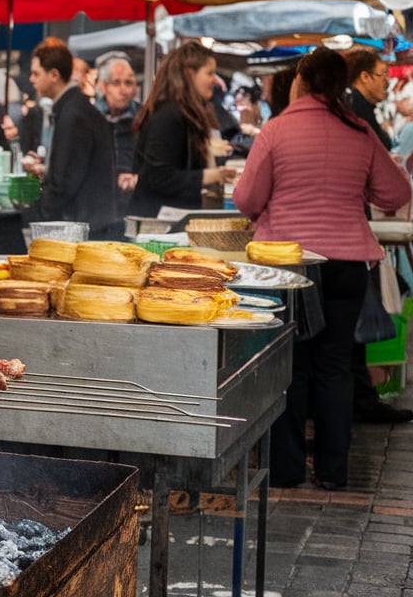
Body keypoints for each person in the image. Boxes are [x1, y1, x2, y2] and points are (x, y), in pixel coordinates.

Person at [235, 47, 411, 490]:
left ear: (302, 81)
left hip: (290, 266)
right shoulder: (360, 131)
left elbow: (247, 201)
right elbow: (395, 192)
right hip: (349, 264)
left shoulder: (276, 130)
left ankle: (288, 471)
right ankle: (334, 473)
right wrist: (355, 187)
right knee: (335, 368)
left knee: (290, 366)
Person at [21, 39, 117, 238]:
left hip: (82, 228)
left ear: (54, 74)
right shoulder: (74, 109)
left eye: (36, 73)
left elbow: (64, 184)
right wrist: (47, 168)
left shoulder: (73, 115)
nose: (31, 79)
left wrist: (39, 215)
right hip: (90, 224)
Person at [130, 42, 237, 217]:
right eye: (209, 73)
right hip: (157, 223)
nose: (214, 80)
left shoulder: (181, 113)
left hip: (170, 217)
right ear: (189, 74)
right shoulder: (168, 116)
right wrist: (212, 175)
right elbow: (159, 177)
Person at [97, 56, 140, 197]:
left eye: (128, 83)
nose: (123, 90)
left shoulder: (143, 117)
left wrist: (137, 177)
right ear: (103, 86)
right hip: (100, 199)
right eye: (116, 83)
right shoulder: (92, 118)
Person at [343, 48, 392, 151]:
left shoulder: (357, 103)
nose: (387, 82)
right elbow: (381, 146)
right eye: (382, 74)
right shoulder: (357, 106)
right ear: (365, 77)